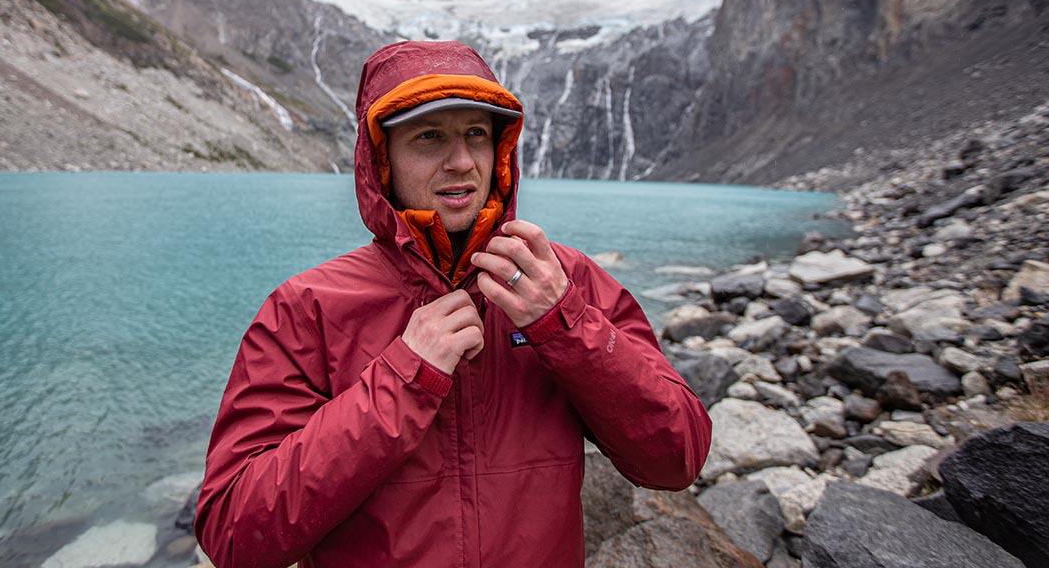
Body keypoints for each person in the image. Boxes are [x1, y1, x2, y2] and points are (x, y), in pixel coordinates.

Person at [195, 40, 711, 568]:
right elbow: (234, 534)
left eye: (476, 135)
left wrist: (564, 324)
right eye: (429, 137)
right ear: (382, 160)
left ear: (499, 150)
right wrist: (403, 379)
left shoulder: (563, 282)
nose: (461, 161)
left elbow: (677, 458)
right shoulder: (307, 309)